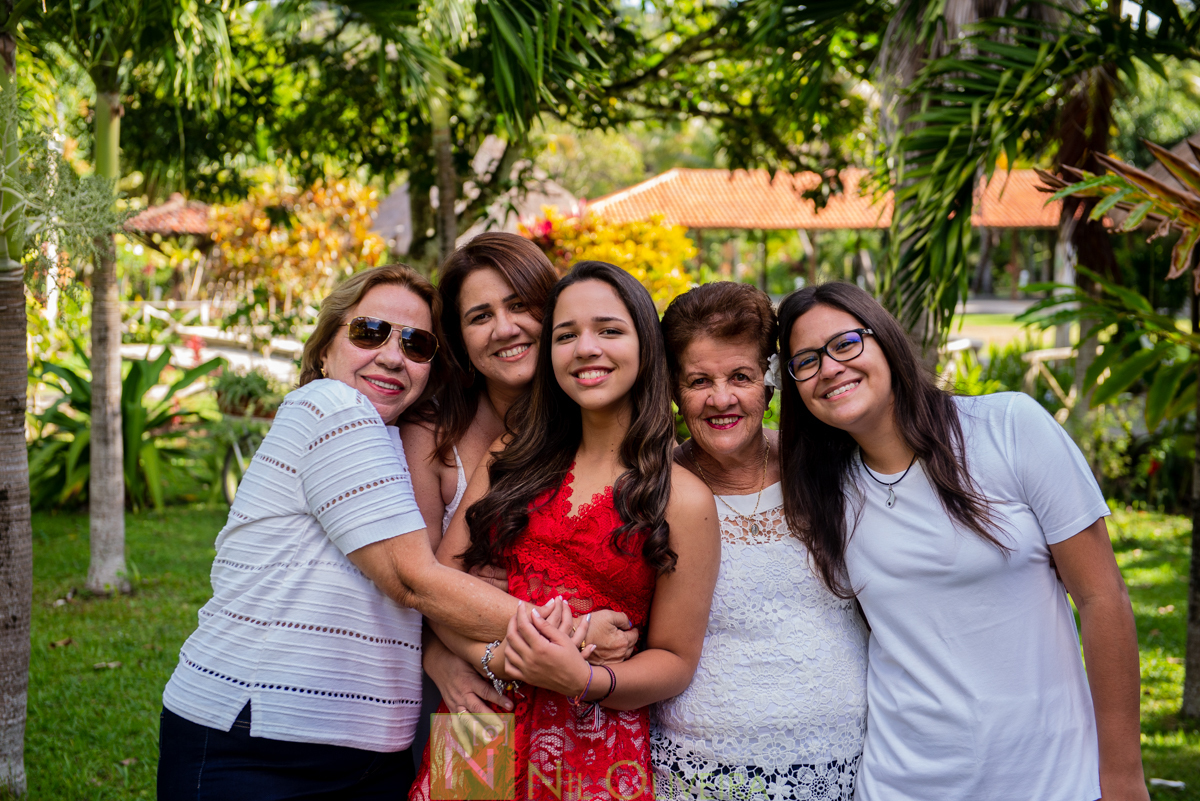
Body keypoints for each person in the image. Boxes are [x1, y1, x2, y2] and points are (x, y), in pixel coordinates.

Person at [157, 265, 579, 800]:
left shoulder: (396, 434)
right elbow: (417, 579)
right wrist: (572, 636)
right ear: (324, 347)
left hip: (386, 738)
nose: (392, 355)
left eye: (416, 343)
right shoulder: (354, 413)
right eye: (368, 332)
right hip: (423, 713)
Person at [776, 281, 1148, 801]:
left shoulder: (1008, 428)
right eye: (806, 361)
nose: (831, 368)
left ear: (884, 339)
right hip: (900, 784)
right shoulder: (823, 491)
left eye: (846, 343)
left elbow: (1102, 599)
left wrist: (1125, 777)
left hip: (1050, 779)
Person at [409, 261, 721, 801]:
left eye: (608, 330)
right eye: (566, 335)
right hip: (477, 719)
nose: (585, 349)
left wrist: (583, 679)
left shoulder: (682, 497)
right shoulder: (512, 456)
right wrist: (496, 659)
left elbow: (675, 662)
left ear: (644, 345)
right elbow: (439, 588)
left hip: (591, 743)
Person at [652, 282, 868, 801]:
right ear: (676, 392)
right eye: (699, 380)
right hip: (698, 774)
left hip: (846, 766)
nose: (721, 398)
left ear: (769, 386)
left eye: (740, 377)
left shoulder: (828, 466)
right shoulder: (656, 491)